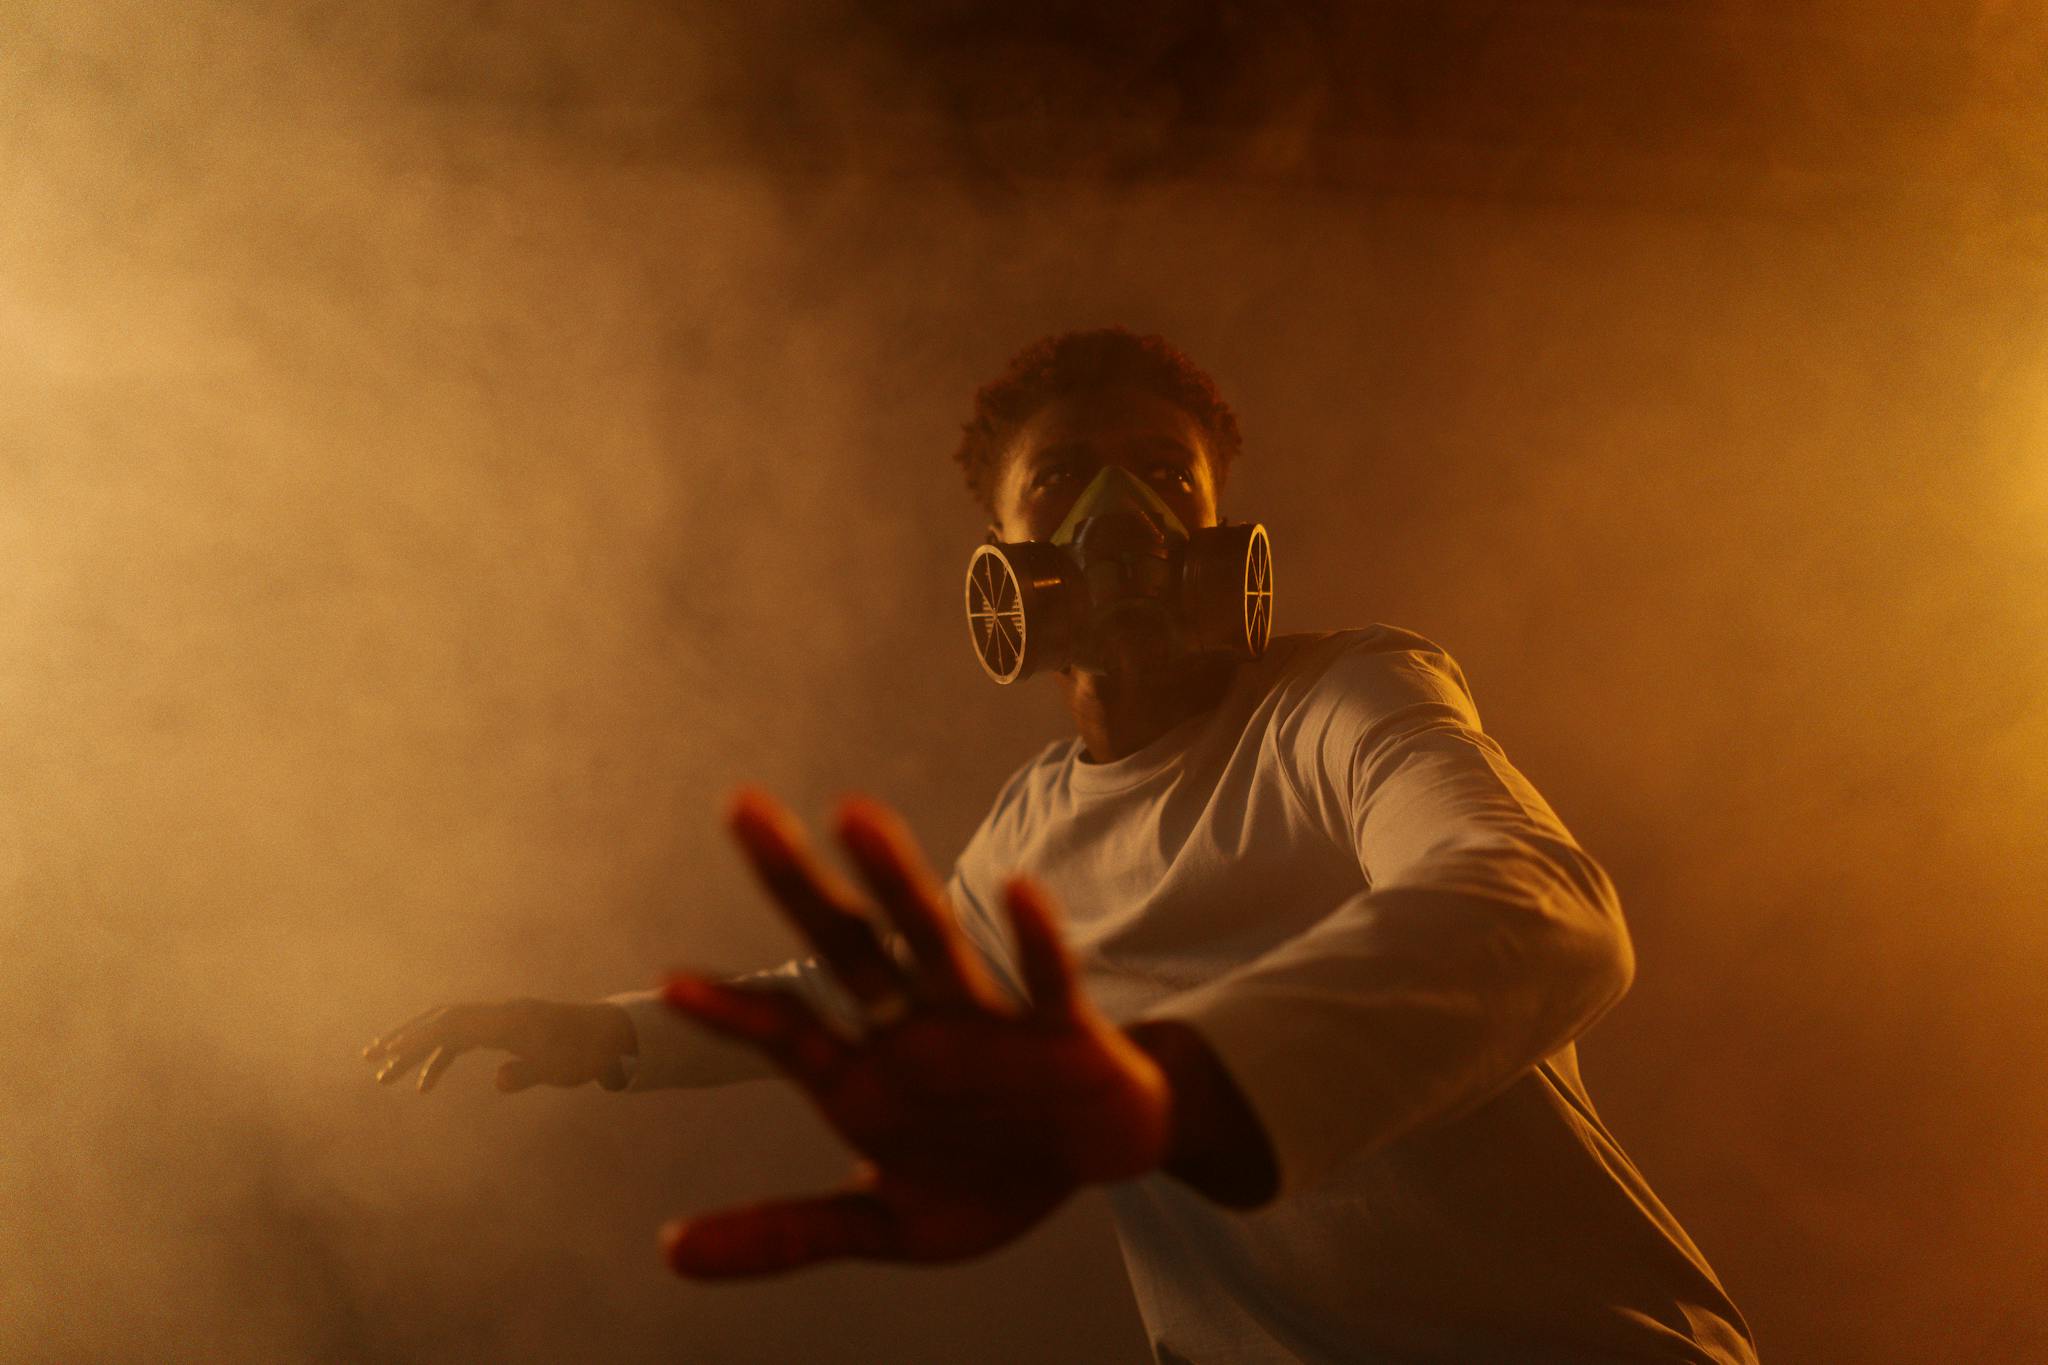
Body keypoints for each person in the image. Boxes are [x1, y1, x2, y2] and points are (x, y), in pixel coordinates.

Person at [364, 329, 1758, 1363]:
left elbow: (1538, 904)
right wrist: (601, 1032)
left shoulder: (1346, 698)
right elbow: (849, 994)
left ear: (1224, 525)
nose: (1124, 524)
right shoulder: (1026, 844)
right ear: (1001, 549)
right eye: (1070, 483)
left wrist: (1178, 1086)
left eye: (1165, 475)